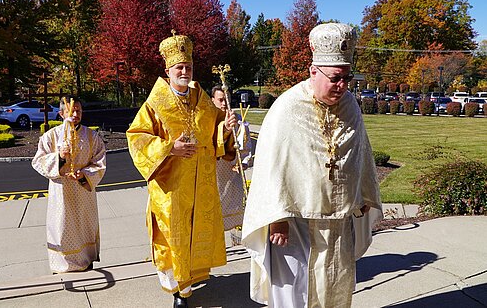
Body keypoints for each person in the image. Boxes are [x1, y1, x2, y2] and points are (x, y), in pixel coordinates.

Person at [241, 23, 383, 308]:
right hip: (295, 221)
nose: (342, 86)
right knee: (297, 292)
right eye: (335, 78)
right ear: (313, 71)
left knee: (335, 284)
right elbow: (272, 166)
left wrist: (363, 193)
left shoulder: (350, 105)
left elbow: (360, 151)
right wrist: (276, 218)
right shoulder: (287, 108)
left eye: (347, 78)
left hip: (339, 223)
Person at [127, 32, 237, 308]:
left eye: (188, 67)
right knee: (174, 238)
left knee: (195, 234)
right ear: (168, 71)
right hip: (171, 186)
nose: (184, 72)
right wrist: (168, 148)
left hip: (200, 185)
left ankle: (189, 281)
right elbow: (137, 136)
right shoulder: (155, 103)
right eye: (179, 68)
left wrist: (227, 127)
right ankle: (179, 291)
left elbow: (216, 135)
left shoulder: (203, 101)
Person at [32, 96, 106, 274]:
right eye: (71, 110)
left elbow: (100, 161)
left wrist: (84, 174)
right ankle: (63, 266)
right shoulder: (51, 136)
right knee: (62, 226)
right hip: (61, 191)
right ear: (61, 113)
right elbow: (38, 161)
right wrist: (59, 157)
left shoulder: (91, 136)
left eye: (78, 110)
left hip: (83, 191)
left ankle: (87, 261)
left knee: (84, 226)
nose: (75, 114)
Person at [211, 85, 252, 231]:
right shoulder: (210, 119)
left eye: (226, 100)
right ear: (213, 100)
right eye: (220, 100)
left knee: (235, 210)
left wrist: (244, 162)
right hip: (215, 173)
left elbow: (246, 145)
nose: (224, 103)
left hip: (233, 173)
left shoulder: (239, 118)